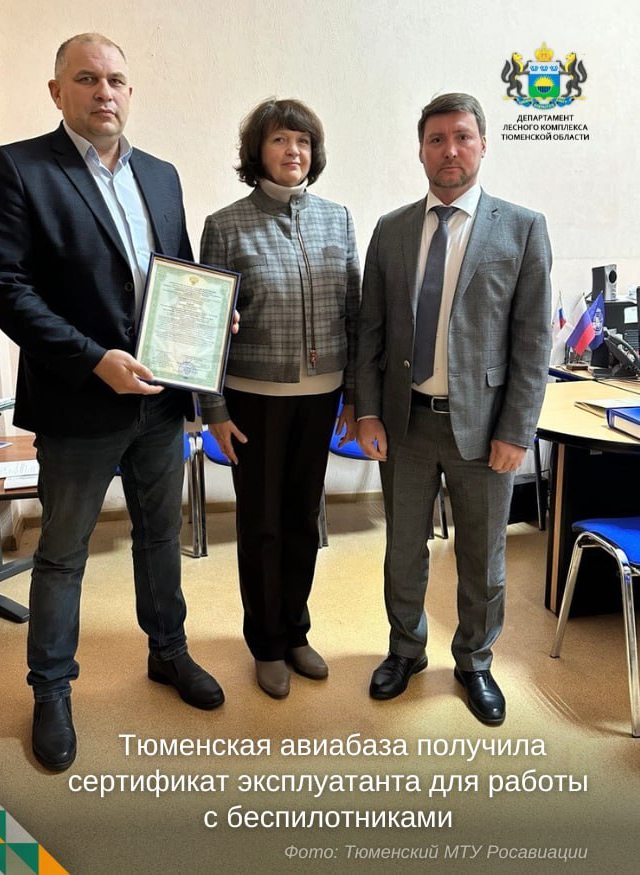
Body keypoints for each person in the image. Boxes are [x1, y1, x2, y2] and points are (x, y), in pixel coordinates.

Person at [0, 33, 225, 772]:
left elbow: (176, 273)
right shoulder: (19, 167)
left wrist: (210, 317)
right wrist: (92, 360)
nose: (103, 92)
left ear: (129, 92)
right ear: (57, 92)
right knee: (63, 555)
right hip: (78, 403)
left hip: (159, 402)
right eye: (86, 79)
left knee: (160, 537)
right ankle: (51, 688)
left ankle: (167, 651)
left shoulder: (161, 174)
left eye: (115, 79)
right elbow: (2, 285)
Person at [355, 93, 552, 725]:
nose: (450, 150)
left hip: (486, 429)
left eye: (463, 136)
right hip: (406, 422)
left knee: (483, 558)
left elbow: (533, 341)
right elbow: (371, 330)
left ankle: (474, 661)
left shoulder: (522, 227)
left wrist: (517, 430)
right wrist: (366, 412)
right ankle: (405, 650)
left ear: (483, 144)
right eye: (436, 139)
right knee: (402, 550)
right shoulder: (391, 230)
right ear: (420, 149)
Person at [198, 98, 360, 698]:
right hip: (253, 400)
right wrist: (213, 411)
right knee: (262, 524)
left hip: (322, 397)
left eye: (303, 141)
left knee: (301, 521)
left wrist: (355, 398)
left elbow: (355, 312)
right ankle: (265, 643)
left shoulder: (338, 219)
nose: (293, 151)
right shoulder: (225, 225)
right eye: (279, 140)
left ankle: (296, 631)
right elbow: (208, 328)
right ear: (257, 151)